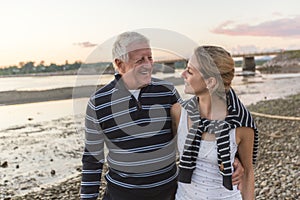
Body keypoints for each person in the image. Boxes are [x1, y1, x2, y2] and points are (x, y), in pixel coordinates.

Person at [80, 31, 244, 200]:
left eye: (149, 58)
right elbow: (92, 159)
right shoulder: (98, 102)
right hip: (121, 195)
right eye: (140, 60)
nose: (148, 65)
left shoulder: (167, 91)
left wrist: (233, 158)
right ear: (120, 65)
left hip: (168, 193)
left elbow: (197, 128)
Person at [172, 46, 259, 200]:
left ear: (211, 82)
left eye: (190, 71)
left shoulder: (241, 124)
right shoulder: (178, 112)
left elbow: (247, 173)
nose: (182, 74)